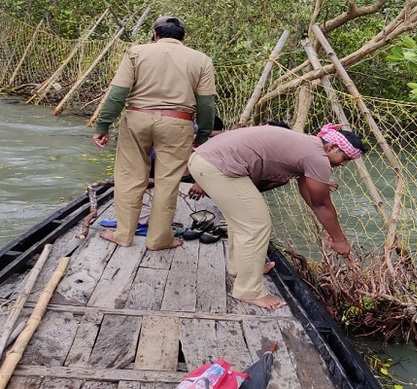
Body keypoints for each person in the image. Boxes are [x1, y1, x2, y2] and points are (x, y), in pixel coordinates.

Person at [187, 123, 367, 309]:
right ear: (331, 147)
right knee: (256, 224)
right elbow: (321, 204)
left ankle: (242, 269)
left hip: (206, 160)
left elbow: (310, 195)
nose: (343, 164)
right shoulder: (318, 157)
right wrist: (339, 240)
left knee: (241, 220)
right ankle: (249, 290)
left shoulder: (309, 147)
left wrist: (331, 230)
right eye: (344, 158)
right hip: (216, 166)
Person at [92, 16, 216, 250]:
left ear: (155, 34)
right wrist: (203, 135)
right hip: (178, 122)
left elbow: (118, 94)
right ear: (182, 38)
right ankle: (159, 239)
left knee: (130, 178)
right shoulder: (201, 60)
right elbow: (207, 104)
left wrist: (103, 126)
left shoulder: (136, 52)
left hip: (137, 118)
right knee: (167, 182)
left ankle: (123, 234)